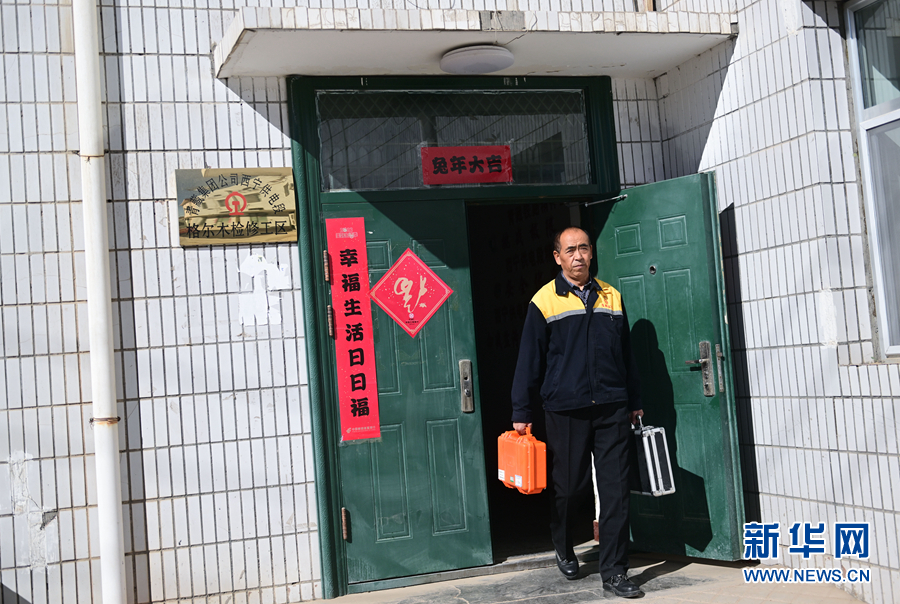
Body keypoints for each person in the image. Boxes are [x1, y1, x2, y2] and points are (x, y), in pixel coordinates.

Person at [511, 226, 644, 599]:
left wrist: (634, 399)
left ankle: (614, 572)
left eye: (583, 248)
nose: (578, 256)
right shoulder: (544, 301)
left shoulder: (611, 296)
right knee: (570, 487)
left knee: (616, 490)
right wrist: (521, 408)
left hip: (611, 406)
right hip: (565, 408)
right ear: (558, 257)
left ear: (591, 252)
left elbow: (627, 354)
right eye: (570, 250)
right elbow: (529, 359)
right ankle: (563, 541)